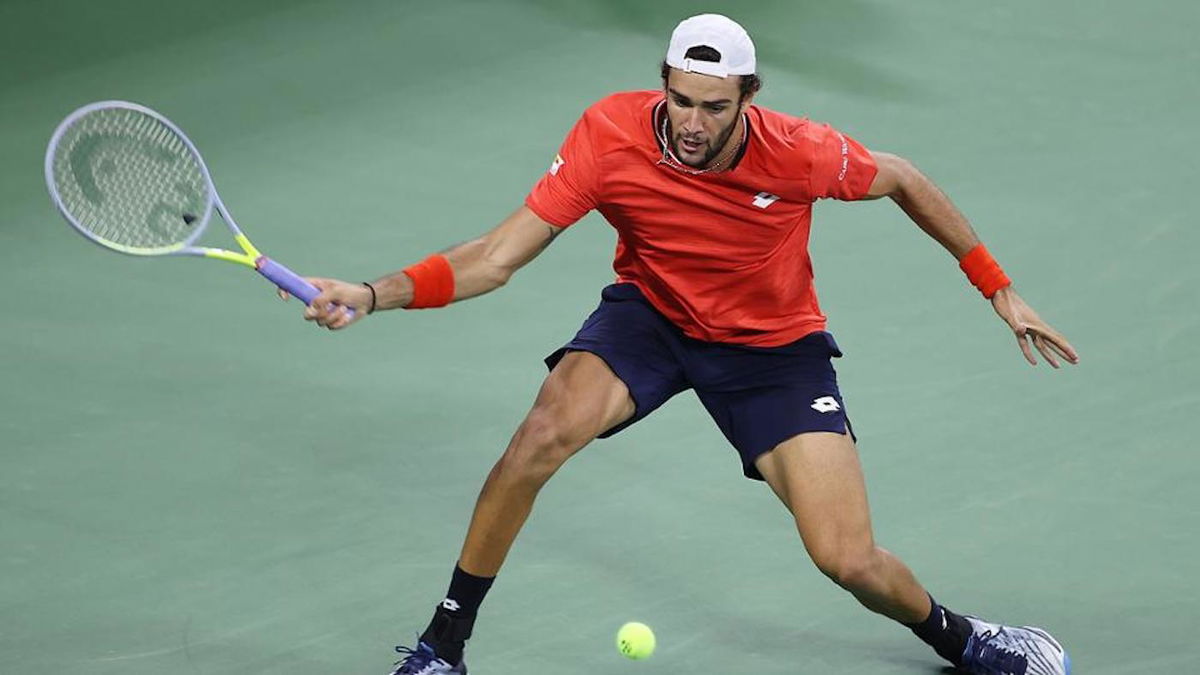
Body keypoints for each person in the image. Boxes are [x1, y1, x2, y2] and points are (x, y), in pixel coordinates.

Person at [291, 14, 1078, 675]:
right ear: (661, 81)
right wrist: (372, 292)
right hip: (654, 317)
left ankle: (965, 637)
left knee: (847, 558)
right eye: (679, 100)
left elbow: (903, 177)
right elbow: (497, 256)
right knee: (539, 435)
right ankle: (442, 647)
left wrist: (998, 287)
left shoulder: (801, 151)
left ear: (748, 97)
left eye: (712, 106)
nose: (692, 124)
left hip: (772, 348)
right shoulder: (611, 135)